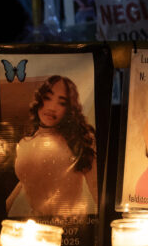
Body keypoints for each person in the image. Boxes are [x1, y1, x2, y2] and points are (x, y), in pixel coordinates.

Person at [6, 75, 97, 217]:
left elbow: (96, 188)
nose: (52, 108)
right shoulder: (25, 141)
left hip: (71, 223)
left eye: (62, 103)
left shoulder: (80, 140)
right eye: (47, 98)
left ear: (69, 109)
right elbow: (26, 180)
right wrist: (3, 210)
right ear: (39, 100)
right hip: (31, 222)